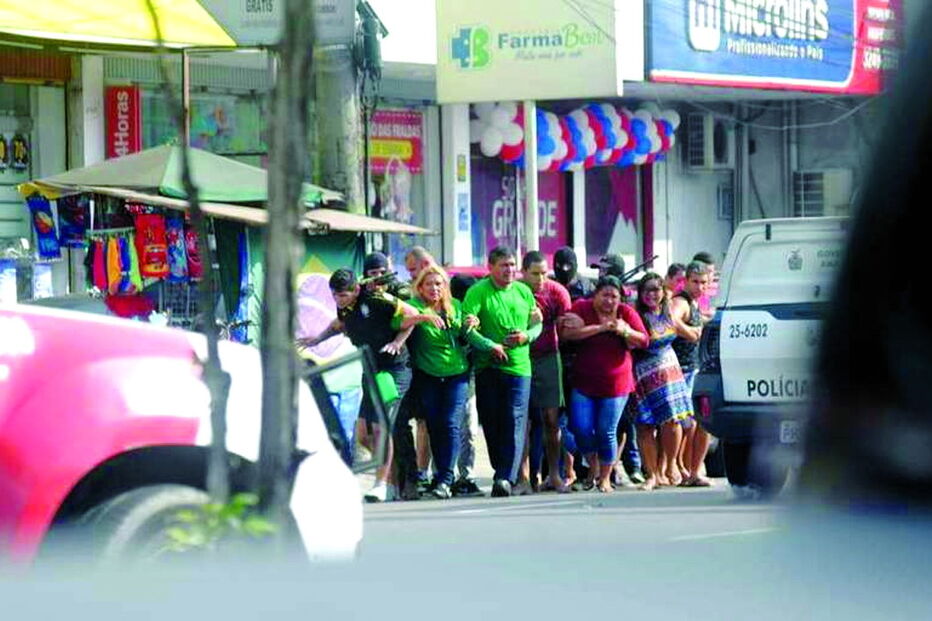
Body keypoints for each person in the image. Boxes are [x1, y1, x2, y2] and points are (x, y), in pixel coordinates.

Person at [297, 268, 417, 503]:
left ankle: (381, 484)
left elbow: (412, 315)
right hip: (371, 370)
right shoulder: (345, 306)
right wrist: (317, 339)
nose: (338, 300)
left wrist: (396, 341)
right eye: (335, 295)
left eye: (343, 295)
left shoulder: (376, 299)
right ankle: (392, 476)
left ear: (356, 290)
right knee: (363, 434)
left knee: (382, 428)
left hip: (394, 371)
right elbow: (339, 325)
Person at [462, 246, 543, 497]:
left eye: (512, 265)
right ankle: (501, 467)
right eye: (503, 265)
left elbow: (537, 323)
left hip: (519, 367)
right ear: (490, 267)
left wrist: (526, 336)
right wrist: (490, 345)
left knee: (515, 419)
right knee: (493, 420)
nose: (509, 270)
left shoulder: (523, 291)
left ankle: (504, 477)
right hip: (488, 366)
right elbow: (467, 329)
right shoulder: (478, 292)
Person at [399, 264, 482, 499]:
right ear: (420, 287)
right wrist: (424, 316)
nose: (434, 288)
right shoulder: (414, 306)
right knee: (434, 425)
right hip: (428, 375)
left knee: (450, 423)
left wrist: (473, 323)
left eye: (439, 283)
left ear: (445, 286)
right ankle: (441, 476)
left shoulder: (455, 306)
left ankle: (446, 478)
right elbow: (399, 323)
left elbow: (468, 333)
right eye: (429, 284)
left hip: (457, 374)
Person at [560, 276, 648, 493]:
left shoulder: (626, 314)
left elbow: (644, 340)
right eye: (605, 295)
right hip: (584, 382)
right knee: (580, 428)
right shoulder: (582, 307)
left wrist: (624, 331)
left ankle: (605, 478)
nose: (609, 301)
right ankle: (595, 466)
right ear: (596, 294)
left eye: (614, 296)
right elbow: (567, 334)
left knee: (606, 431)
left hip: (616, 384)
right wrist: (600, 328)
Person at [632, 272, 695, 491]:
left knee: (673, 421)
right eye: (647, 290)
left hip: (670, 370)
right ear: (640, 294)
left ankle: (669, 466)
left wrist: (702, 326)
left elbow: (692, 334)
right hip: (643, 373)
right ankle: (652, 474)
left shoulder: (669, 312)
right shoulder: (635, 315)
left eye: (656, 290)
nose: (651, 294)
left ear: (662, 292)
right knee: (645, 425)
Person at [518, 251, 572, 494]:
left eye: (544, 273)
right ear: (523, 271)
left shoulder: (557, 292)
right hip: (520, 357)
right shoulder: (516, 290)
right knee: (524, 422)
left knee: (551, 420)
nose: (540, 279)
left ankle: (554, 475)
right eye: (535, 273)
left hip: (549, 357)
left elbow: (565, 327)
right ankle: (524, 477)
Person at [670, 261, 712, 487]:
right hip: (680, 370)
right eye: (694, 281)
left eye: (703, 282)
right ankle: (679, 469)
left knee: (701, 422)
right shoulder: (680, 302)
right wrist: (690, 333)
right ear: (685, 281)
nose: (699, 286)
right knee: (686, 423)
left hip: (694, 368)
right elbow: (672, 319)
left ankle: (693, 471)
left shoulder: (695, 305)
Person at [448, 272, 484, 497]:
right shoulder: (449, 310)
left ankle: (466, 476)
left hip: (469, 376)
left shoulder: (476, 313)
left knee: (468, 428)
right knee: (451, 428)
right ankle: (445, 474)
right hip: (449, 375)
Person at [692, 251, 718, 321]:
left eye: (711, 272)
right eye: (707, 271)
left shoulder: (719, 289)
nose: (710, 276)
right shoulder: (685, 288)